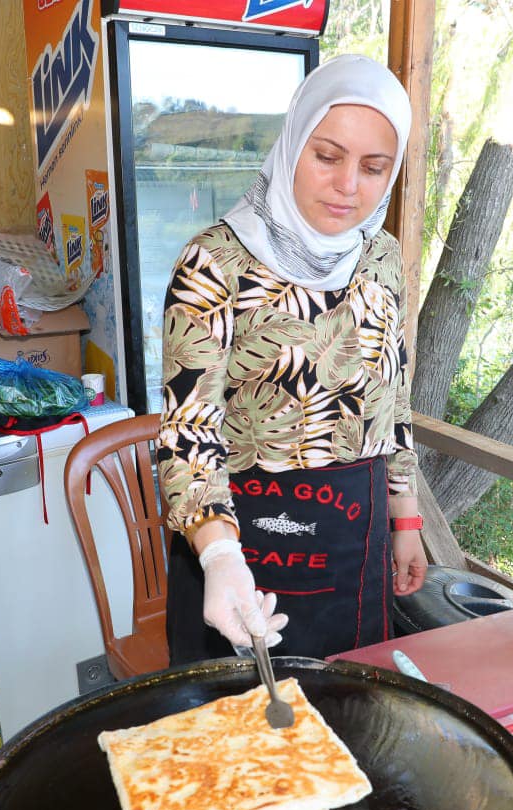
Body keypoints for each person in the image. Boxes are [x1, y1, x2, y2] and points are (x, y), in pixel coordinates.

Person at [158, 54, 427, 664]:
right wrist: (221, 558)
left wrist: (404, 516)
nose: (348, 185)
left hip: (355, 537)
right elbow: (187, 432)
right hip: (238, 540)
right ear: (292, 144)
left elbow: (395, 394)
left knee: (351, 721)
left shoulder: (382, 258)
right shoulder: (215, 264)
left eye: (374, 167)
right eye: (327, 156)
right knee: (239, 739)